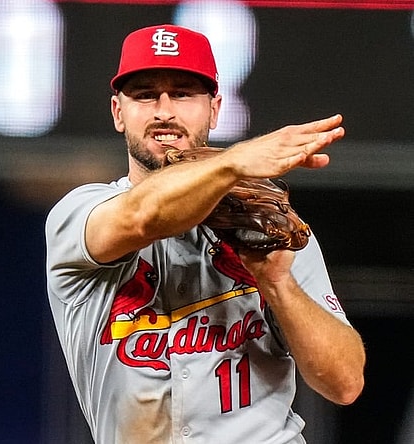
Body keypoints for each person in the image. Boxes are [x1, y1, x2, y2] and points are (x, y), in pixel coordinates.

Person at [44, 24, 366, 444]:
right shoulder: (78, 214)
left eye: (182, 93)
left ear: (215, 109)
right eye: (145, 94)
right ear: (118, 112)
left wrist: (278, 282)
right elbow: (143, 217)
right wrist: (234, 161)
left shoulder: (267, 223)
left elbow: (344, 383)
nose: (164, 111)